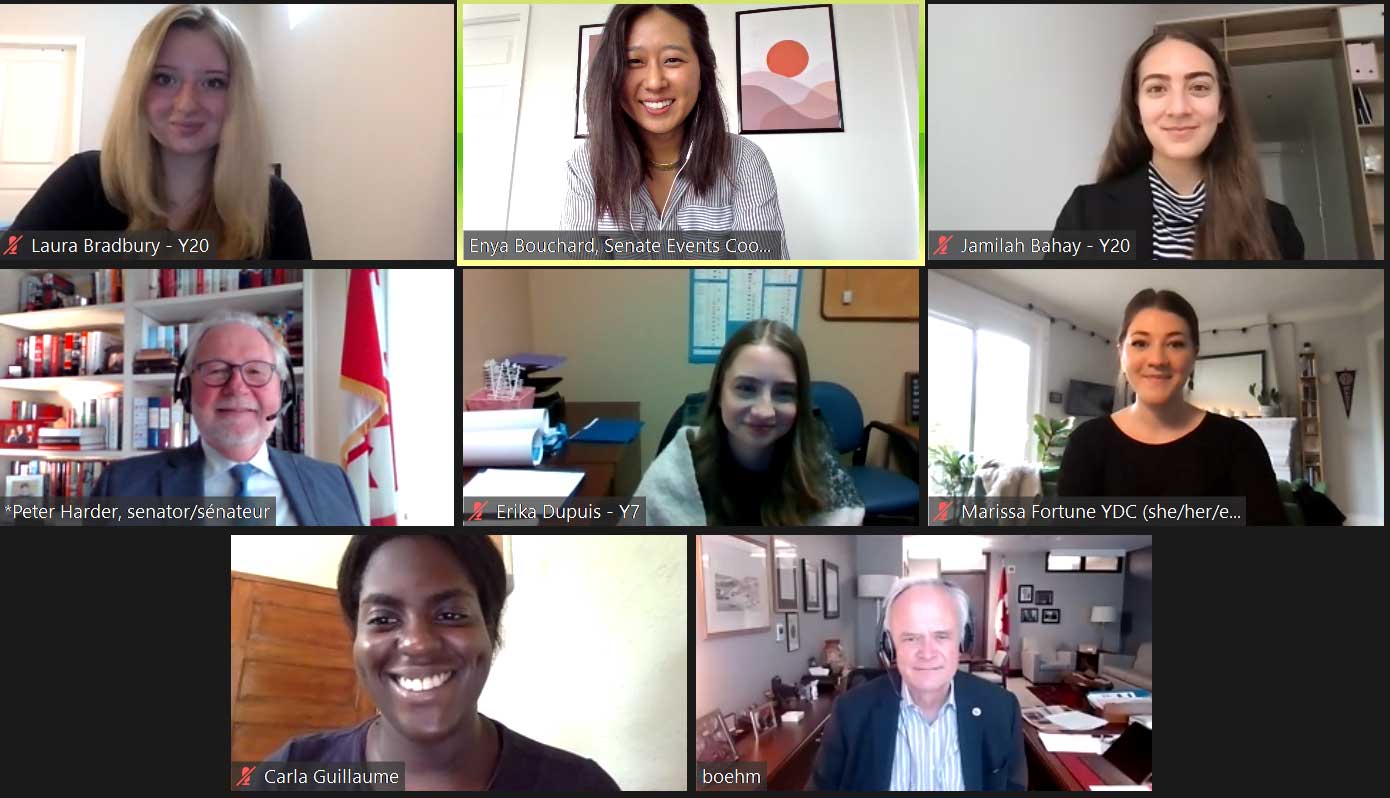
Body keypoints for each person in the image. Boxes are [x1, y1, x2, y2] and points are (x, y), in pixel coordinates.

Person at [263, 535, 620, 791]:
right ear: (356, 639)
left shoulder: (579, 786)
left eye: (450, 614)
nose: (418, 644)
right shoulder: (289, 771)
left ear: (490, 629)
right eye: (383, 619)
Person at [10, 4, 310, 259]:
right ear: (138, 89)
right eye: (165, 79)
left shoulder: (275, 203)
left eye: (214, 82)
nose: (187, 104)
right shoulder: (84, 180)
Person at [1050, 30, 1303, 260]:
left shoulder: (1276, 224)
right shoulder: (1088, 212)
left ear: (1222, 107)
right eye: (1157, 88)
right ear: (1137, 110)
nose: (1179, 109)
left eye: (1199, 87)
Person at [561, 4, 790, 258]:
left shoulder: (744, 161)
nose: (655, 82)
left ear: (703, 71)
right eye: (634, 61)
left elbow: (762, 279)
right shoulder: (587, 165)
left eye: (672, 60)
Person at [92, 311, 360, 525]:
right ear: (186, 391)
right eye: (217, 370)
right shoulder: (120, 486)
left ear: (282, 392)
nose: (237, 387)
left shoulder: (334, 483)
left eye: (255, 371)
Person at [1059, 288, 1287, 524]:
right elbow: (1070, 548)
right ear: (1121, 353)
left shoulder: (1239, 442)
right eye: (1140, 343)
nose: (1157, 360)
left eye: (1175, 344)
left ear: (1194, 355)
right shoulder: (1086, 442)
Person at [635, 319, 864, 525]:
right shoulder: (680, 464)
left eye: (784, 393)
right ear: (719, 394)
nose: (764, 411)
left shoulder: (819, 470)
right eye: (746, 388)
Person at [811, 578, 1025, 791]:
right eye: (911, 638)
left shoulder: (1001, 709)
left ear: (963, 641)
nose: (927, 653)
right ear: (889, 646)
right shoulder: (850, 712)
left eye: (941, 636)